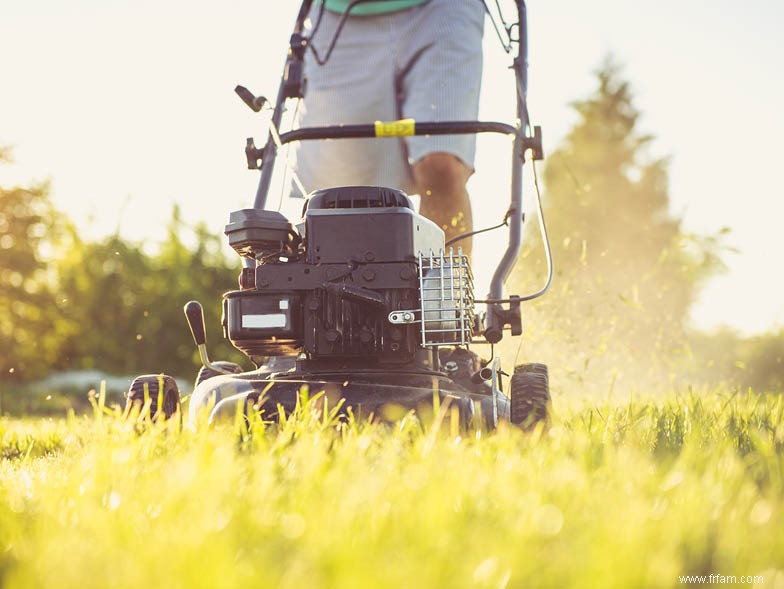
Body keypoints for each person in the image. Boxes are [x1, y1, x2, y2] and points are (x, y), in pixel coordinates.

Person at [295, 0, 485, 258]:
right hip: (340, 16)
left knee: (442, 164)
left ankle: (442, 295)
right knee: (338, 196)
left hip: (442, 9)